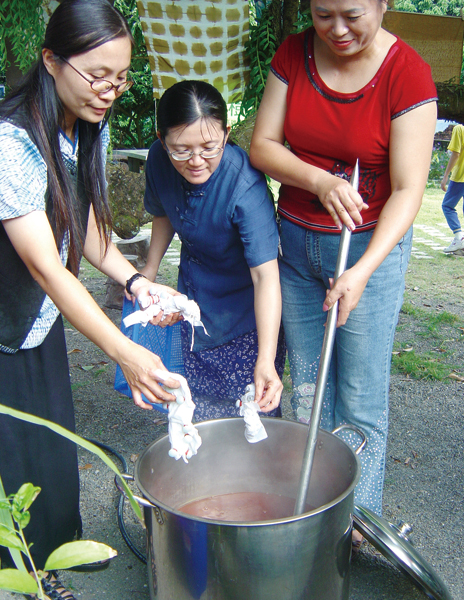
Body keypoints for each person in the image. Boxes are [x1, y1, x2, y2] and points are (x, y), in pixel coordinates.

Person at [0, 0, 181, 589]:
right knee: (15, 454)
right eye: (96, 75)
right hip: (6, 323)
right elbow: (50, 268)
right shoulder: (12, 142)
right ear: (51, 60)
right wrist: (123, 352)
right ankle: (22, 575)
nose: (109, 90)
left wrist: (133, 281)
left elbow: (86, 228)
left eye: (120, 77)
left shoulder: (84, 126)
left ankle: (56, 558)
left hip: (39, 320)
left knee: (51, 442)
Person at [249, 0, 437, 538]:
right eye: (322, 14)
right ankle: (310, 516)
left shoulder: (408, 73)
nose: (336, 30)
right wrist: (321, 181)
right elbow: (262, 145)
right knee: (309, 386)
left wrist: (363, 271)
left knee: (358, 396)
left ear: (384, 4)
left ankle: (357, 527)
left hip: (364, 252)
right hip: (295, 242)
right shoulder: (294, 51)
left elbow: (409, 190)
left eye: (352, 14)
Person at [141, 80, 285, 421]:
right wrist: (148, 271)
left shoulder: (243, 184)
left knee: (249, 421)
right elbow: (162, 210)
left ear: (226, 133)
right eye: (181, 150)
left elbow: (266, 277)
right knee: (196, 418)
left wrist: (265, 357)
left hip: (246, 319)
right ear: (162, 140)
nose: (195, 161)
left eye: (209, 147)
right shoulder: (158, 159)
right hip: (195, 301)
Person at [440, 124, 464, 253]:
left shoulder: (459, 129)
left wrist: (446, 175)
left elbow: (456, 154)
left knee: (447, 206)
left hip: (461, 176)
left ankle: (459, 237)